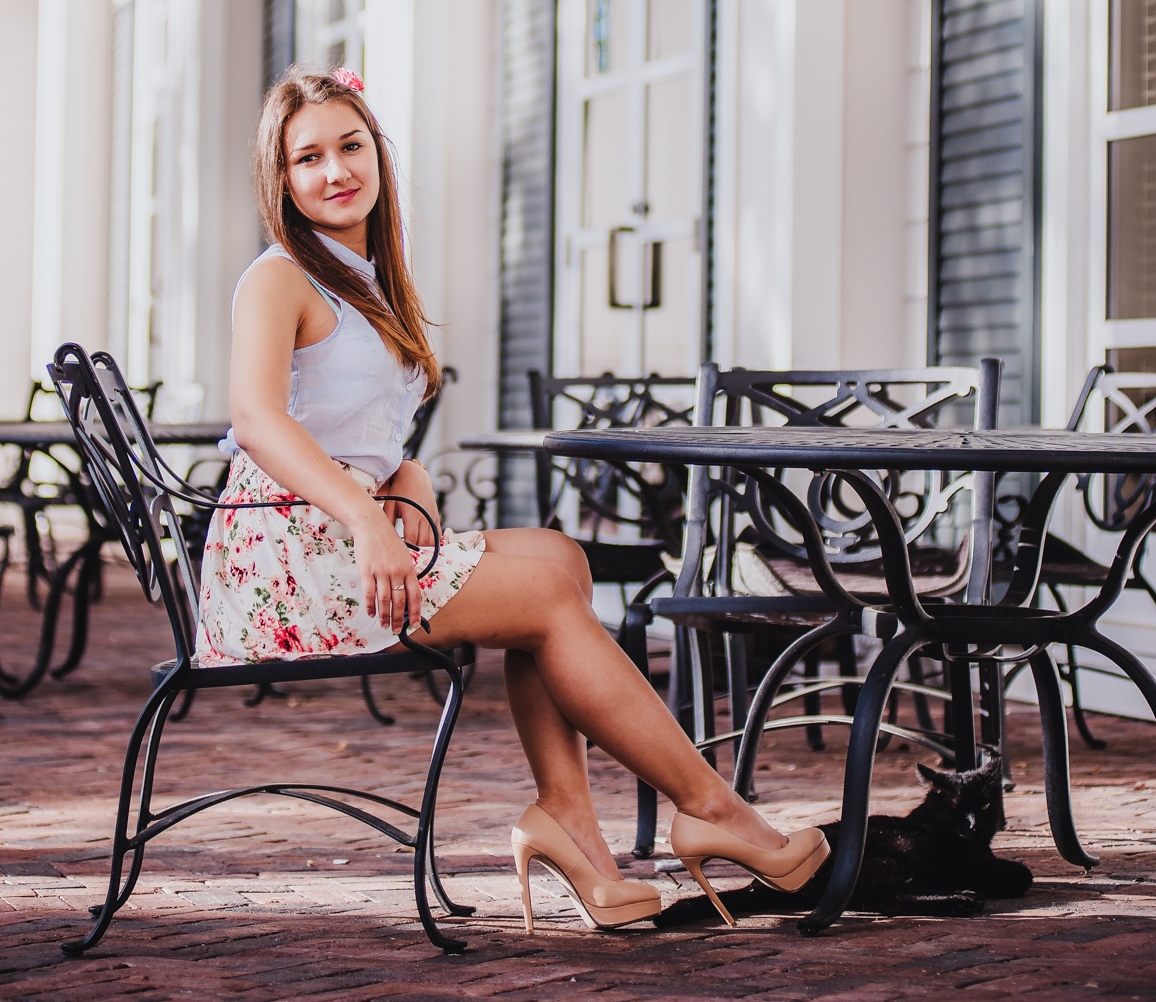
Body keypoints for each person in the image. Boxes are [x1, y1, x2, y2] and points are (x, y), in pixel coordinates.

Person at [197, 67, 828, 933]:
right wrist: (365, 521)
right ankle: (711, 811)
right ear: (281, 179)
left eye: (350, 146)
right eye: (309, 157)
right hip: (286, 559)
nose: (335, 170)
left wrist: (404, 486)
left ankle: (567, 821)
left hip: (346, 528)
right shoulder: (279, 278)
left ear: (376, 152)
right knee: (541, 596)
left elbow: (372, 435)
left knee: (557, 558)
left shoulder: (369, 274)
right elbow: (258, 420)